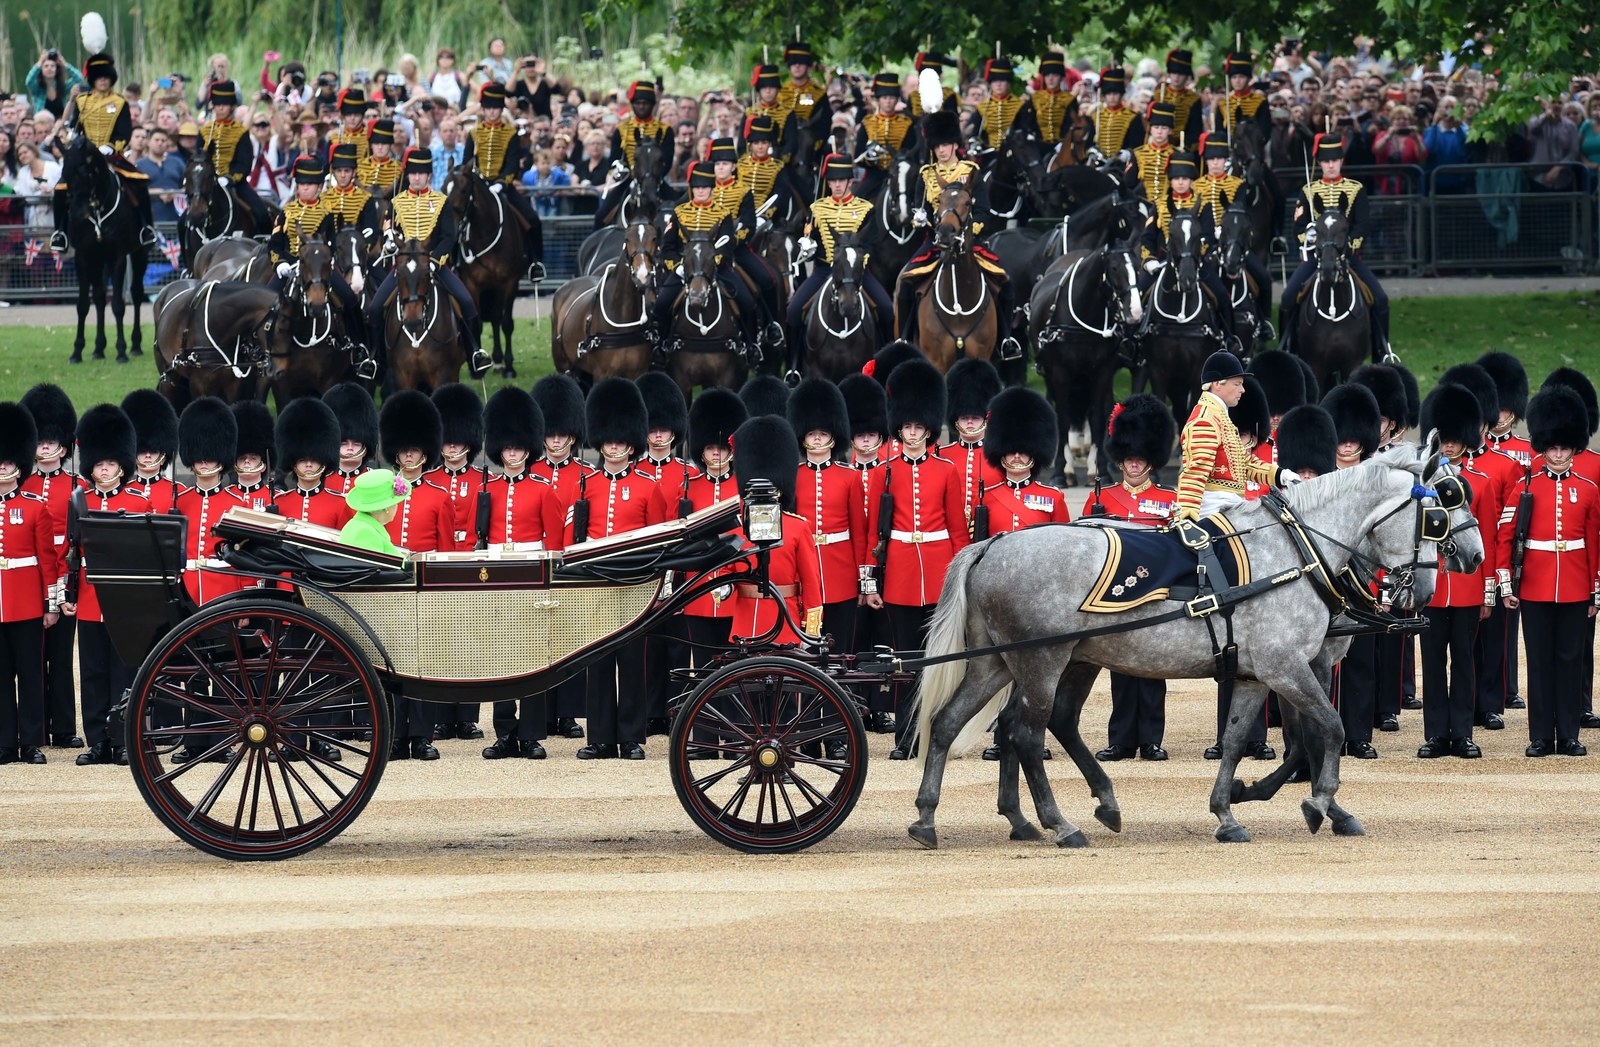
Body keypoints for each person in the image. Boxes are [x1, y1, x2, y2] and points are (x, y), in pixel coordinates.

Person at [864, 358, 972, 758]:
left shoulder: (946, 471)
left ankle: (938, 735)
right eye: (907, 427)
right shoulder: (884, 472)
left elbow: (957, 530)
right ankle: (906, 738)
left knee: (938, 659)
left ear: (928, 428)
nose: (912, 433)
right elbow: (872, 534)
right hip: (901, 575)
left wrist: (961, 574)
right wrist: (870, 581)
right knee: (904, 660)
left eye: (918, 427)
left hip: (939, 567)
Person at [567, 379, 667, 760]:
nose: (613, 446)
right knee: (598, 662)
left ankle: (630, 737)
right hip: (596, 584)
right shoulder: (586, 484)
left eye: (619, 441)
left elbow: (658, 540)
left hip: (633, 583)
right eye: (607, 440)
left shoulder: (647, 487)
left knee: (631, 662)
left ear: (630, 443)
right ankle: (600, 737)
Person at [1501, 386, 1599, 758]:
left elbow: (1593, 544)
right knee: (1540, 662)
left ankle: (1569, 734)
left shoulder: (1588, 489)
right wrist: (1507, 583)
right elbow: (1506, 535)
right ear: (1543, 447)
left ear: (1574, 447)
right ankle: (1541, 735)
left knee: (1571, 662)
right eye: (1552, 447)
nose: (1558, 454)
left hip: (1575, 587)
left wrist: (1594, 590)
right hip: (1535, 586)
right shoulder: (1527, 486)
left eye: (1564, 447)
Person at [1079, 394, 1176, 762]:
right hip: (1115, 590)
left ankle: (1151, 739)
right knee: (1120, 667)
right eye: (1129, 457)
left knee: (1153, 667)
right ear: (1120, 459)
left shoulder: (1170, 499)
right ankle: (1121, 739)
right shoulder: (1101, 497)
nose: (1134, 463)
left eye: (1140, 457)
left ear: (1150, 459)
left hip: (1155, 589)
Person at [1416, 382, 1500, 760]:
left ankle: (1463, 733)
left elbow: (1488, 539)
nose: (1448, 446)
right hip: (1433, 584)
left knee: (1464, 662)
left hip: (1466, 585)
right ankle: (1436, 734)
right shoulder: (1421, 482)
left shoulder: (1479, 482)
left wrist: (1486, 591)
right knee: (1433, 664)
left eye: (1454, 439)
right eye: (1444, 439)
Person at [64, 405, 151, 767]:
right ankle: (97, 740)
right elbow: (71, 553)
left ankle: (122, 741)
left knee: (123, 672)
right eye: (99, 464)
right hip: (88, 595)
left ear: (121, 466)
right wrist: (68, 596)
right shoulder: (78, 501)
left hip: (123, 599)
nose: (104, 469)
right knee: (94, 672)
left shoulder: (138, 501)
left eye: (111, 464)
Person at [893, 109, 1019, 357]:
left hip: (969, 241)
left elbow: (984, 210)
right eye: (938, 145)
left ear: (955, 145)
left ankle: (1006, 339)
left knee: (1005, 280)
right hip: (935, 241)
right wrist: (921, 218)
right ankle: (905, 340)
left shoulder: (970, 171)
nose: (942, 150)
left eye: (947, 144)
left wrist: (969, 231)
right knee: (906, 280)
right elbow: (921, 210)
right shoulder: (926, 174)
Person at [366, 148, 490, 375]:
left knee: (467, 302)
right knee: (375, 308)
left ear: (429, 176)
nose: (416, 177)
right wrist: (390, 243)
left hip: (435, 265)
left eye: (421, 173)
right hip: (403, 268)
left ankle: (474, 352)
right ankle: (377, 360)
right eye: (413, 173)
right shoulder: (396, 203)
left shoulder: (441, 202)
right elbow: (387, 231)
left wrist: (434, 260)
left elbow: (448, 237)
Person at [1277, 134, 1392, 363]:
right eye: (1326, 161)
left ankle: (1382, 351)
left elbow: (1362, 226)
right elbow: (1298, 228)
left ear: (1341, 162)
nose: (1330, 165)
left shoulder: (1355, 189)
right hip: (1317, 258)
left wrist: (1348, 246)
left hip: (1348, 256)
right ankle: (1286, 349)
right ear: (1319, 163)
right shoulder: (1309, 191)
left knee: (1380, 298)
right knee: (1288, 298)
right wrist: (1312, 241)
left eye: (1335, 160)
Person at [530, 375, 596, 741]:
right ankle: (542, 711)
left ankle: (568, 713)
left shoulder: (586, 475)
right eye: (549, 434)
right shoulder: (532, 473)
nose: (555, 441)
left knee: (571, 640)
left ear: (572, 436)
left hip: (571, 565)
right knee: (537, 642)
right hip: (537, 567)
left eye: (561, 435)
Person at [633, 373, 699, 736]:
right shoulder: (636, 471)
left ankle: (676, 710)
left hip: (679, 567)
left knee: (678, 645)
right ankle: (650, 710)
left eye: (664, 429)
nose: (658, 436)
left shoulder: (688, 474)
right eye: (653, 429)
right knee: (646, 646)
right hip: (645, 567)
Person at [788, 152, 894, 374]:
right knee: (794, 310)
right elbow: (810, 239)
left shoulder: (865, 208)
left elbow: (872, 243)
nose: (836, 185)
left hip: (856, 272)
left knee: (886, 309)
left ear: (850, 181)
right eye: (833, 181)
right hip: (825, 270)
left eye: (841, 180)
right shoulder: (817, 208)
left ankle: (885, 364)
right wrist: (807, 244)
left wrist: (855, 267)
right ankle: (794, 366)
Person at [785, 379, 867, 662]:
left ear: (834, 435)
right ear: (802, 437)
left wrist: (861, 579)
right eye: (811, 433)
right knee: (805, 655)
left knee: (841, 652)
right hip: (803, 572)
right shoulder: (793, 477)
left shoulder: (850, 477)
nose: (817, 439)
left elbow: (859, 532)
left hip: (841, 573)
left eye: (822, 432)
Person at [0, 401, 62, 766]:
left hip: (25, 602)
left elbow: (48, 561)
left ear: (18, 465)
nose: (2, 467)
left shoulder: (35, 507)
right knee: (1, 677)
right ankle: (5, 742)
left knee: (30, 673)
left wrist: (50, 604)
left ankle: (31, 741)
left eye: (6, 462)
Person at [1172, 351, 1292, 538]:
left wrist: (1280, 475)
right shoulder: (1206, 420)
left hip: (1230, 506)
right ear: (1217, 384)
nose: (1242, 390)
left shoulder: (1219, 417)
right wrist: (1187, 517)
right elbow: (1195, 472)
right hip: (1213, 510)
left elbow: (1244, 464)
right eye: (1237, 384)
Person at [18, 385, 80, 749]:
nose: (43, 447)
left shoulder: (77, 486)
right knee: (31, 657)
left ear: (64, 444)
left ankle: (64, 728)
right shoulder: (20, 484)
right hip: (30, 579)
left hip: (66, 576)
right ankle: (35, 727)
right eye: (39, 440)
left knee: (60, 655)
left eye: (50, 440)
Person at [728, 415, 824, 647]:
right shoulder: (737, 527)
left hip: (785, 622)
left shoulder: (798, 527)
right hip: (745, 621)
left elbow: (811, 584)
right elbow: (727, 573)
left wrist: (810, 630)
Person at [650, 161, 764, 353]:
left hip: (716, 269)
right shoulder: (679, 212)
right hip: (684, 269)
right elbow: (667, 247)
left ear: (712, 189)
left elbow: (726, 245)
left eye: (704, 187)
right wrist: (678, 265)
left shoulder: (723, 213)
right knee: (661, 304)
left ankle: (750, 345)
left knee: (747, 302)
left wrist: (710, 265)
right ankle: (661, 345)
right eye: (696, 187)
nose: (700, 191)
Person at [51, 51, 157, 252]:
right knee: (60, 189)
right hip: (84, 155)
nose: (102, 81)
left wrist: (110, 146)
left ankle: (146, 228)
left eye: (106, 77)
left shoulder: (120, 103)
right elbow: (76, 125)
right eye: (99, 77)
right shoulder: (82, 101)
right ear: (93, 79)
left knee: (139, 184)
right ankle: (60, 232)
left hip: (110, 154)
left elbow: (125, 131)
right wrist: (74, 138)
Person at [708, 138, 786, 355]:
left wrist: (731, 241)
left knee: (767, 280)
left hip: (736, 249)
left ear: (733, 167)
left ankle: (771, 326)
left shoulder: (743, 191)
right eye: (717, 164)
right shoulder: (703, 189)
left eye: (725, 164)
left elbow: (748, 224)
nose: (720, 167)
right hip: (704, 251)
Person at [1196, 130, 1273, 341]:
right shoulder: (1196, 186)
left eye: (1219, 159)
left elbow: (1242, 212)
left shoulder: (1237, 185)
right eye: (1211, 159)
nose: (1215, 163)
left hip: (1233, 243)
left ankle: (1264, 321)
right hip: (1206, 245)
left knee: (1264, 278)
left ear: (1225, 161)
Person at [466, 83, 544, 278]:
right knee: (455, 218)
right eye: (489, 108)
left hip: (502, 187)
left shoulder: (510, 134)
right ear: (483, 109)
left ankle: (535, 262)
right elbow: (466, 162)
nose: (492, 112)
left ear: (501, 109)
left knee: (533, 220)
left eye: (496, 108)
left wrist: (501, 183)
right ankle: (452, 262)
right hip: (477, 187)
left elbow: (512, 165)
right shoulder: (474, 134)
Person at [595, 81, 674, 229]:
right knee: (601, 215)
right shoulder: (621, 130)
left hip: (656, 180)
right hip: (629, 178)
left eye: (646, 103)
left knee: (678, 208)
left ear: (652, 105)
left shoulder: (665, 130)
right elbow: (614, 159)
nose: (642, 106)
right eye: (638, 103)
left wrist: (653, 177)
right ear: (632, 104)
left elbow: (667, 161)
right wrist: (620, 174)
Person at [939, 358, 1005, 537]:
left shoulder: (1001, 456)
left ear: (986, 417)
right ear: (955, 418)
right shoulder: (942, 455)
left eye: (975, 417)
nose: (969, 422)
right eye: (964, 417)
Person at [199, 80, 271, 228]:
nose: (220, 107)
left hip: (234, 183)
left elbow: (244, 163)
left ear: (232, 106)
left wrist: (230, 178)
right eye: (217, 104)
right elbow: (197, 158)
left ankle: (264, 245)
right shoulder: (204, 131)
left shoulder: (241, 132)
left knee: (261, 213)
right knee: (183, 222)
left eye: (224, 104)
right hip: (207, 184)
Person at [273, 397, 351, 531]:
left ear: (324, 462)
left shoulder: (341, 504)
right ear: (293, 463)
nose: (308, 464)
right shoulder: (279, 502)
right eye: (302, 460)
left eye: (314, 459)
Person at [854, 72, 919, 198]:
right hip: (875, 175)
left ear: (896, 99)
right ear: (878, 100)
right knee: (857, 204)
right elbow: (858, 155)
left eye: (892, 98)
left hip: (900, 175)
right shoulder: (867, 123)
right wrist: (869, 159)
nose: (888, 101)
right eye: (884, 98)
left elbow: (911, 153)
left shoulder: (907, 124)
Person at [121, 390, 182, 514]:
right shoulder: (123, 489)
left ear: (163, 457)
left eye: (153, 451)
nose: (148, 455)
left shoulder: (179, 492)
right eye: (142, 451)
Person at [321, 382, 379, 495]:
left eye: (356, 443)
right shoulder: (320, 481)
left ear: (365, 447)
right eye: (343, 443)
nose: (350, 448)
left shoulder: (374, 482)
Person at [339, 469, 408, 556]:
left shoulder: (362, 525)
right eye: (395, 503)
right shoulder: (365, 532)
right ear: (387, 507)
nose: (397, 506)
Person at [1019, 51, 1079, 150]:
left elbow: (1071, 123)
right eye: (1047, 75)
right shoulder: (1035, 98)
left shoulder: (1069, 99)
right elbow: (1028, 121)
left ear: (1061, 77)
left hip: (1062, 147)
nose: (1051, 79)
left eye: (1055, 75)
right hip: (1038, 146)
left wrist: (1065, 142)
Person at [226, 401, 277, 513]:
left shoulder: (276, 498)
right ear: (235, 464)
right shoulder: (225, 496)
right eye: (242, 458)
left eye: (253, 458)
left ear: (263, 466)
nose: (247, 461)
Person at [743, 65, 798, 161]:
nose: (768, 91)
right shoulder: (749, 112)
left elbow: (791, 142)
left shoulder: (788, 113)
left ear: (777, 89)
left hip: (779, 160)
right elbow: (742, 143)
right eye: (764, 88)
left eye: (771, 87)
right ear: (759, 90)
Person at [972, 58, 1023, 155]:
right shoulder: (982, 107)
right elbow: (975, 133)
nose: (998, 84)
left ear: (1008, 83)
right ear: (990, 83)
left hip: (1015, 154)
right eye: (995, 81)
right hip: (988, 153)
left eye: (1002, 80)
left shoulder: (1019, 105)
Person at [1090, 67, 1143, 156]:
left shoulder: (1132, 117)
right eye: (1109, 94)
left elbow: (1136, 144)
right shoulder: (1096, 116)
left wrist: (1127, 154)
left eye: (1115, 94)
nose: (1112, 97)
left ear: (1121, 94)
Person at [26, 49, 85, 120]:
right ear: (41, 70)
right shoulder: (37, 89)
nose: (49, 68)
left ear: (57, 70)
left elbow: (79, 79)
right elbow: (29, 81)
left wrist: (64, 64)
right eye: (46, 66)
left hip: (61, 126)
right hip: (42, 125)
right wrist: (39, 63)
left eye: (53, 66)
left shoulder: (63, 87)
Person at [357, 119, 402, 193]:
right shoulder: (359, 166)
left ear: (390, 145)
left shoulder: (399, 169)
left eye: (384, 143)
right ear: (371, 145)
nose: (380, 147)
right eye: (376, 143)